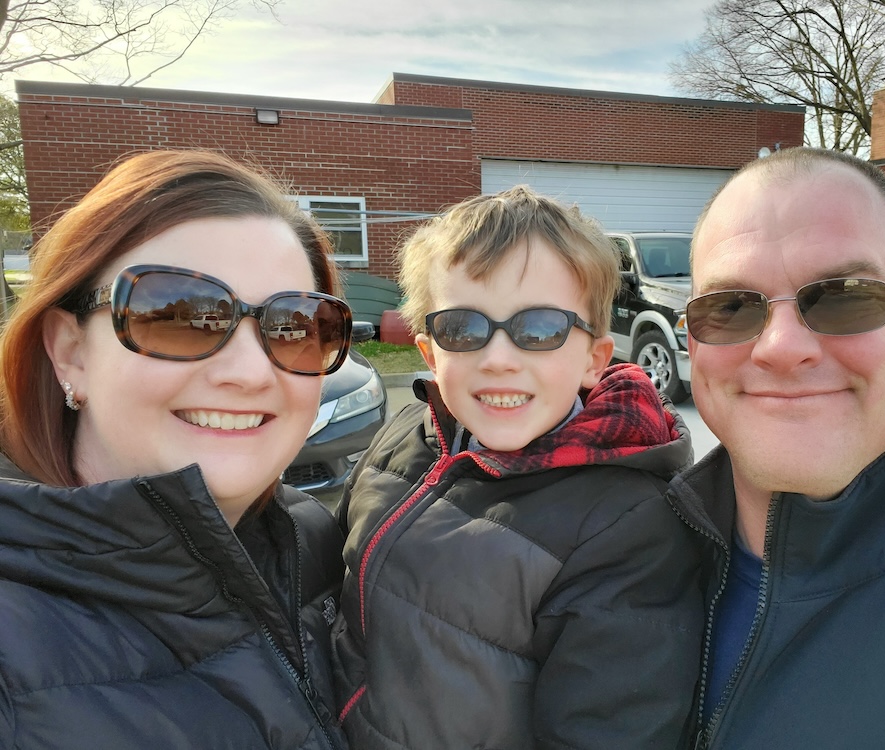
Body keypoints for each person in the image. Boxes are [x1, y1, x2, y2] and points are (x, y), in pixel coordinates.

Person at [0, 149, 353, 749]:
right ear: (70, 352)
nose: (250, 372)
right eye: (180, 315)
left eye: (294, 324)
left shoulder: (313, 542)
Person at [331, 186, 704, 749]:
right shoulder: (405, 437)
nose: (499, 359)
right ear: (431, 353)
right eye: (462, 328)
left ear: (593, 360)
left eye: (539, 329)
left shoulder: (626, 528)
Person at [669, 147, 885, 749]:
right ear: (693, 344)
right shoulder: (602, 564)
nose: (780, 347)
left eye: (845, 295)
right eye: (730, 307)